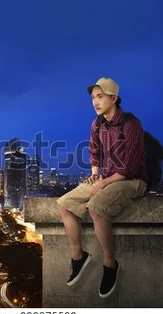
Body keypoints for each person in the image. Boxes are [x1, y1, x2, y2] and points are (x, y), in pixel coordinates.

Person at [56, 77, 147, 298]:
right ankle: (78, 257)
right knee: (64, 204)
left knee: (96, 206)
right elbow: (94, 151)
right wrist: (95, 176)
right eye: (93, 98)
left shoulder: (130, 125)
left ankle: (110, 263)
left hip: (132, 181)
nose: (95, 102)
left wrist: (103, 184)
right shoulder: (96, 124)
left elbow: (130, 168)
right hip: (107, 178)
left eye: (100, 96)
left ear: (113, 98)